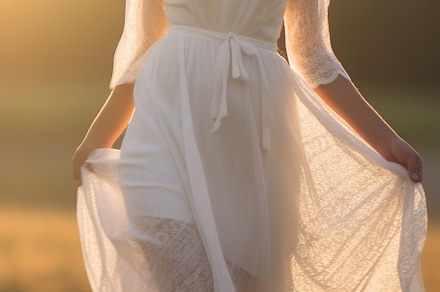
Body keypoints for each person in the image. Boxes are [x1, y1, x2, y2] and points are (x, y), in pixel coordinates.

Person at [72, 0, 428, 291]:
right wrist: (97, 137)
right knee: (167, 247)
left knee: (245, 277)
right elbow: (145, 48)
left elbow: (312, 56)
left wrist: (386, 140)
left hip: (255, 141)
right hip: (165, 117)